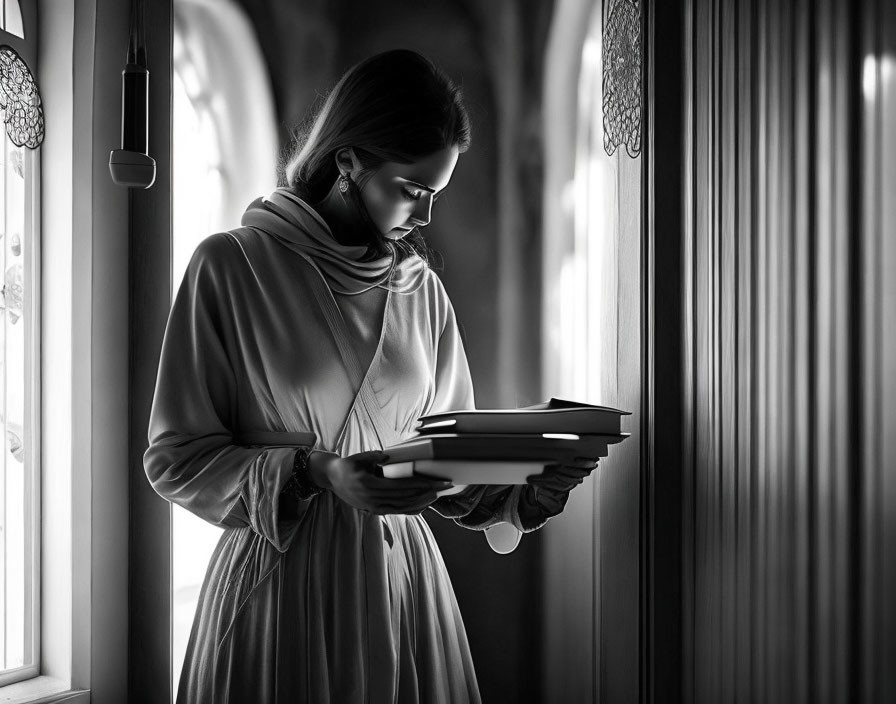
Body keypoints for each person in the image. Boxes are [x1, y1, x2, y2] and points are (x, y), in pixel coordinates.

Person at [144, 49, 597, 703]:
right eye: (412, 189)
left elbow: (442, 462)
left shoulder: (420, 291)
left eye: (436, 194)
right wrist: (317, 472)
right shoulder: (230, 268)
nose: (425, 214)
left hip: (403, 593)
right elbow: (175, 460)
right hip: (279, 589)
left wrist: (527, 475)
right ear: (348, 161)